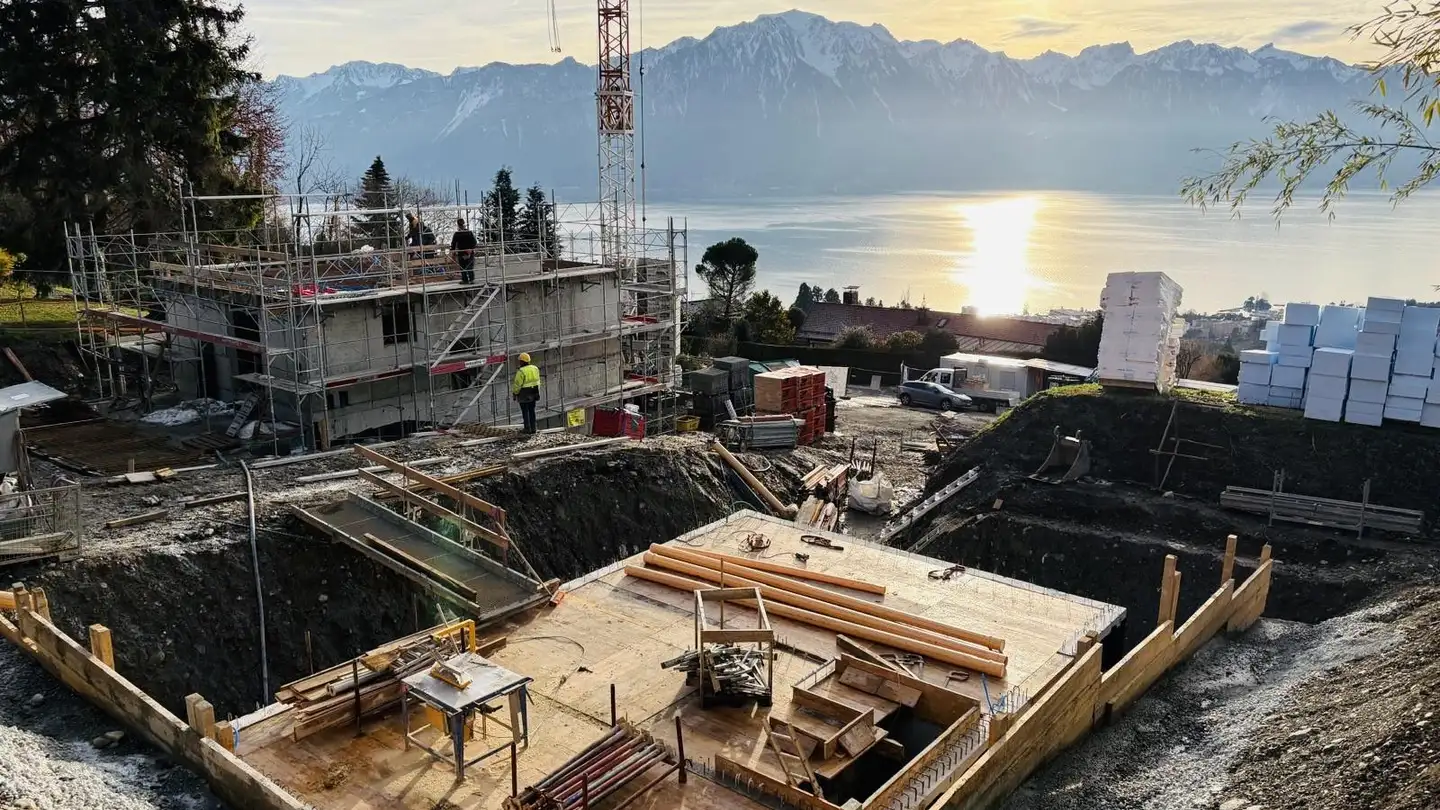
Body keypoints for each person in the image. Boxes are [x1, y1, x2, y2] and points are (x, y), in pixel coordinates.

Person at [512, 352, 541, 434]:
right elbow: (538, 381)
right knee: (532, 410)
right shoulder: (535, 368)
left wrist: (515, 393)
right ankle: (533, 428)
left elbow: (517, 385)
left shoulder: (521, 371)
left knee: (525, 411)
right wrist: (537, 391)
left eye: (520, 361)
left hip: (524, 393)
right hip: (534, 391)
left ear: (522, 361)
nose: (519, 362)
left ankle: (527, 428)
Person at [450, 218, 478, 284]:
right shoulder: (468, 232)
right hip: (468, 252)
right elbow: (474, 242)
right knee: (468, 267)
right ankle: (471, 280)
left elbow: (453, 244)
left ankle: (465, 280)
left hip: (462, 252)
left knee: (464, 267)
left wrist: (453, 251)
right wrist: (471, 249)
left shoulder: (457, 233)